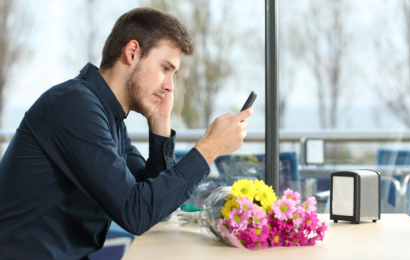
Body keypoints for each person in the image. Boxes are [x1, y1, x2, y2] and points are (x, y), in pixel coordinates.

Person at [0, 7, 253, 260]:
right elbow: (136, 212)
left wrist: (160, 123)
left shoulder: (109, 118)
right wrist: (209, 148)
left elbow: (157, 207)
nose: (170, 86)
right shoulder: (74, 106)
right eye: (165, 68)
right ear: (132, 52)